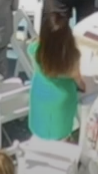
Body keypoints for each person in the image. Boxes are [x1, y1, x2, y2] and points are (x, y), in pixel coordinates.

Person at [28, 11, 85, 140]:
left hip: (40, 94)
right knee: (60, 137)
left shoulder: (34, 50)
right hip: (61, 101)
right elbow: (80, 83)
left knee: (40, 130)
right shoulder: (71, 60)